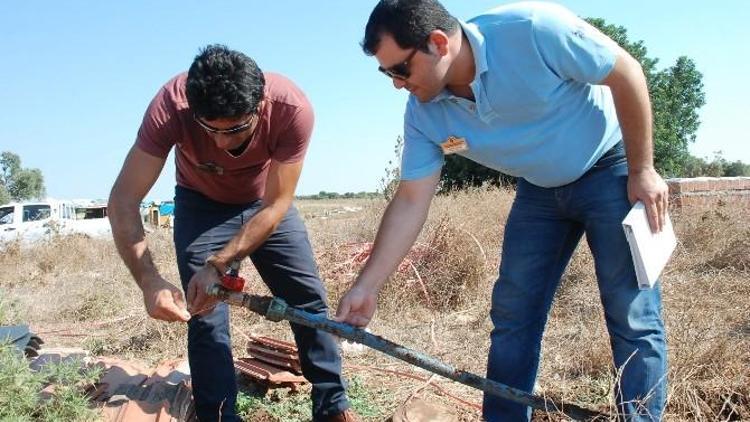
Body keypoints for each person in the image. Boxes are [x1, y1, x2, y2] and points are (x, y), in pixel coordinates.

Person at [334, 1, 668, 420]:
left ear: (438, 43)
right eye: (387, 74)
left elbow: (626, 73)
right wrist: (368, 286)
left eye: (400, 70)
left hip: (609, 167)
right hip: (540, 189)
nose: (397, 85)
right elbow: (410, 200)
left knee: (631, 314)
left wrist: (643, 169)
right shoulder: (423, 115)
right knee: (513, 316)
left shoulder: (530, 30)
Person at [109, 44, 358, 422]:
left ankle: (332, 406)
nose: (222, 143)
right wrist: (149, 281)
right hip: (201, 205)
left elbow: (276, 206)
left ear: (259, 106)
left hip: (266, 204)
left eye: (236, 129)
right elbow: (123, 200)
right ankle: (219, 414)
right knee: (205, 312)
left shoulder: (291, 108)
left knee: (307, 300)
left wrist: (221, 262)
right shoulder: (171, 107)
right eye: (211, 130)